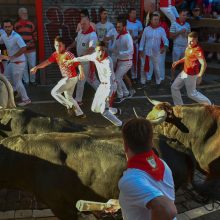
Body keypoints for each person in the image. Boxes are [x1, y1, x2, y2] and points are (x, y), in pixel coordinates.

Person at [119, 118, 177, 220]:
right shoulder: (162, 164)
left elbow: (167, 209)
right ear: (151, 143)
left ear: (125, 145)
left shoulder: (130, 179)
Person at [65, 41, 122, 126]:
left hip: (110, 86)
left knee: (104, 111)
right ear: (96, 50)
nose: (101, 52)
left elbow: (110, 77)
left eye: (103, 50)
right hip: (102, 86)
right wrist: (71, 61)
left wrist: (109, 95)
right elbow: (84, 58)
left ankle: (120, 124)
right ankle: (116, 111)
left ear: (105, 50)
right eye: (99, 50)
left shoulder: (108, 61)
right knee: (94, 109)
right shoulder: (94, 56)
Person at [30, 36, 85, 117]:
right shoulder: (55, 54)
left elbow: (78, 63)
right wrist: (36, 67)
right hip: (69, 78)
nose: (58, 47)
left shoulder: (68, 54)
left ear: (64, 45)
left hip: (70, 78)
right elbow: (47, 62)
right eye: (56, 45)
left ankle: (69, 105)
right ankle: (80, 113)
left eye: (60, 45)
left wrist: (81, 72)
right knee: (69, 97)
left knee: (54, 92)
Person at [171, 31, 211, 105]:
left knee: (191, 94)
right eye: (189, 41)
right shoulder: (189, 46)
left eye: (192, 41)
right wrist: (178, 62)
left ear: (196, 40)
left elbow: (204, 64)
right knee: (174, 87)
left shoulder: (198, 50)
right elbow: (187, 57)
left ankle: (208, 104)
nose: (189, 43)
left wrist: (199, 76)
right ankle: (179, 106)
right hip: (184, 72)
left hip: (191, 75)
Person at [68, 17, 100, 106]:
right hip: (82, 60)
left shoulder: (92, 35)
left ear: (89, 23)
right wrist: (69, 47)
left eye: (84, 24)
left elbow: (92, 48)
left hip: (87, 61)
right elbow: (76, 42)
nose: (82, 26)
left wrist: (82, 56)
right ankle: (103, 93)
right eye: (81, 24)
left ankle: (78, 100)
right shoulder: (80, 32)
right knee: (91, 79)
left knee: (82, 79)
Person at [0, 19, 31, 106]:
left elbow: (24, 48)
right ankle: (15, 93)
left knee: (17, 82)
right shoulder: (3, 35)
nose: (7, 28)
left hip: (19, 62)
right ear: (3, 28)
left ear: (12, 27)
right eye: (5, 27)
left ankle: (26, 99)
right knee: (6, 79)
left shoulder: (16, 36)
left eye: (9, 26)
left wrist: (12, 57)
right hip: (12, 62)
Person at [139, 13, 169, 86]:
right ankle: (146, 80)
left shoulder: (161, 30)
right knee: (145, 66)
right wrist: (141, 50)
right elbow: (142, 40)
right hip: (147, 51)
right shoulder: (146, 29)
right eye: (155, 19)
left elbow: (166, 40)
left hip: (156, 52)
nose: (156, 21)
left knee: (157, 68)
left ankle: (158, 81)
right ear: (151, 20)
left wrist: (164, 47)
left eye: (157, 20)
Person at [14, 7, 37, 86]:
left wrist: (30, 43)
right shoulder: (16, 25)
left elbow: (35, 36)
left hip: (31, 49)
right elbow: (15, 38)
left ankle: (33, 81)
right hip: (21, 50)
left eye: (26, 13)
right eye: (23, 13)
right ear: (20, 14)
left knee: (32, 65)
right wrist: (22, 45)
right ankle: (26, 81)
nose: (25, 14)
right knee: (23, 66)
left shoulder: (31, 24)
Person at [114, 18, 134, 103]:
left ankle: (120, 95)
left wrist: (120, 53)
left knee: (116, 78)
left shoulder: (127, 37)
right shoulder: (118, 36)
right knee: (118, 78)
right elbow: (115, 48)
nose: (117, 29)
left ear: (124, 27)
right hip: (120, 61)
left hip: (127, 62)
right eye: (117, 27)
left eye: (119, 27)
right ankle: (125, 92)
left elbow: (131, 50)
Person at [170, 9, 191, 82]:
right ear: (179, 15)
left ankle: (180, 78)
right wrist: (179, 32)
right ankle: (172, 78)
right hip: (177, 46)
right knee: (175, 63)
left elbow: (190, 36)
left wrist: (186, 35)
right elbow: (171, 36)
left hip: (185, 46)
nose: (185, 17)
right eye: (183, 15)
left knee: (183, 63)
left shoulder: (188, 25)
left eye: (186, 15)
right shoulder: (174, 24)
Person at [126, 8, 143, 82]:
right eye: (133, 13)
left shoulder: (138, 23)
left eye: (135, 13)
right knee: (126, 61)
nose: (134, 14)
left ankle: (134, 77)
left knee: (135, 61)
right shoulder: (125, 22)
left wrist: (137, 37)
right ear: (129, 14)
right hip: (126, 45)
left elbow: (142, 32)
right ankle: (125, 76)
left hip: (135, 44)